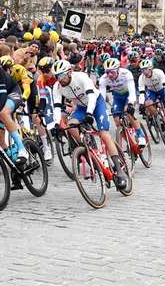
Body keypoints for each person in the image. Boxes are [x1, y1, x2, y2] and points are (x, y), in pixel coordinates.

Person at [50, 59, 128, 190]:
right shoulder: (57, 87)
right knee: (71, 125)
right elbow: (57, 107)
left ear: (69, 72)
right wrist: (56, 125)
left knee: (104, 134)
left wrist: (90, 114)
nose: (59, 79)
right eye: (56, 76)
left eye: (61, 75)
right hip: (80, 107)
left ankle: (119, 170)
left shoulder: (81, 77)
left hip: (96, 103)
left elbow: (91, 97)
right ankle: (87, 149)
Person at [98, 57, 146, 147]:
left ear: (118, 69)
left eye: (112, 72)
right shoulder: (103, 79)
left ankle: (140, 136)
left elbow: (132, 91)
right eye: (107, 72)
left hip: (128, 94)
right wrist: (102, 110)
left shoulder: (126, 73)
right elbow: (102, 97)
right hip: (117, 97)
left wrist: (131, 103)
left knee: (127, 111)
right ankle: (130, 143)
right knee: (117, 121)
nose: (110, 75)